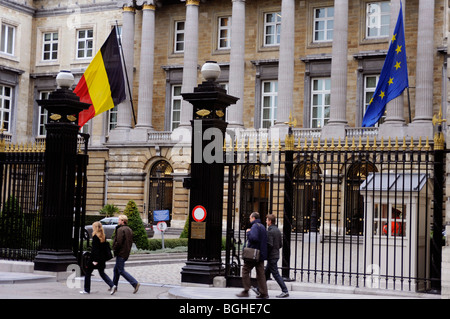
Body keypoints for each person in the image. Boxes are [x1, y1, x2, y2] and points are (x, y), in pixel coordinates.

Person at [236, 212, 269, 299]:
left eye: (250, 218)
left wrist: (248, 232)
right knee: (261, 274)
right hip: (260, 254)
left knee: (245, 270)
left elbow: (254, 238)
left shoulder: (254, 226)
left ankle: (246, 290)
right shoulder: (262, 226)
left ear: (253, 218)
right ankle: (264, 293)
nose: (249, 220)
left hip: (253, 254)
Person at [80, 221, 114, 294]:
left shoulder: (95, 237)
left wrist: (94, 260)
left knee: (88, 273)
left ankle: (86, 289)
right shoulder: (103, 236)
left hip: (95, 259)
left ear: (95, 228)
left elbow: (95, 250)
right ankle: (112, 285)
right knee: (102, 273)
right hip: (102, 259)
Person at [111, 215, 140, 295]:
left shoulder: (121, 229)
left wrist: (114, 248)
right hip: (126, 252)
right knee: (116, 270)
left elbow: (118, 242)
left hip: (120, 252)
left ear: (123, 221)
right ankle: (114, 286)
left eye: (119, 220)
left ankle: (135, 283)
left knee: (120, 270)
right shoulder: (129, 229)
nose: (118, 221)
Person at [265, 214, 289, 298]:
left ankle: (285, 290)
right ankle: (258, 288)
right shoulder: (278, 230)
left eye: (267, 220)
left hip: (272, 256)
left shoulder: (270, 231)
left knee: (276, 274)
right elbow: (280, 244)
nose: (266, 221)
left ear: (270, 221)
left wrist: (265, 253)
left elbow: (269, 245)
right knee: (265, 274)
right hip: (276, 255)